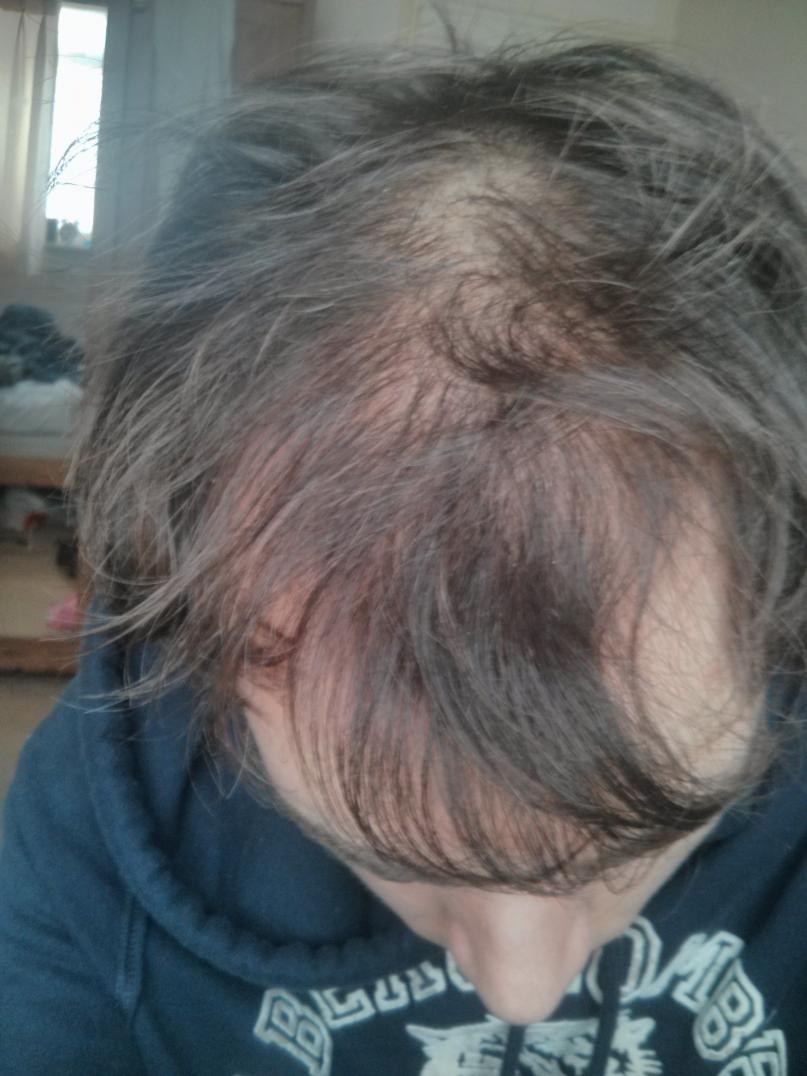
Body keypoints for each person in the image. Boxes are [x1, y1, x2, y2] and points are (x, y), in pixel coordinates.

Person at [2, 38, 807, 1076]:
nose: (523, 990)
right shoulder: (85, 824)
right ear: (215, 644)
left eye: (631, 845)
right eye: (391, 855)